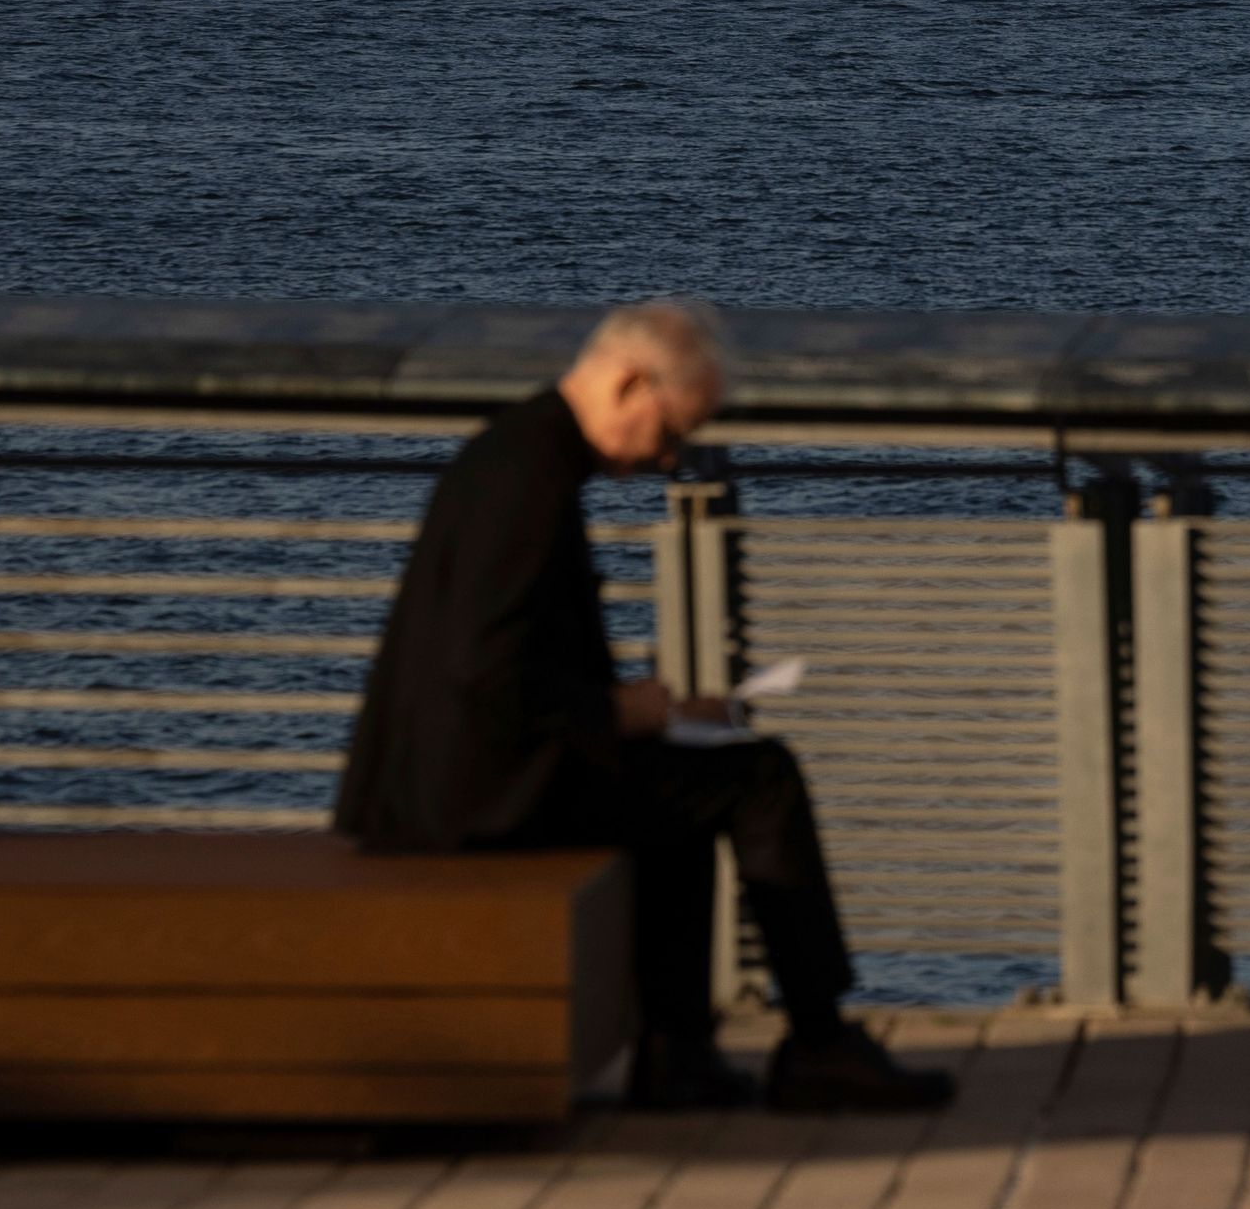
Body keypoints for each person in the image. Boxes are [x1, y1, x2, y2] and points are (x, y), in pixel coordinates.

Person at [335, 300, 950, 1113]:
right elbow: (482, 669)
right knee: (762, 776)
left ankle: (679, 1052)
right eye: (669, 434)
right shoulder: (528, 479)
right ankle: (818, 1039)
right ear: (629, 382)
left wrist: (649, 713)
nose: (668, 460)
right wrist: (616, 712)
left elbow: (494, 662)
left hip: (459, 777)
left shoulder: (520, 453)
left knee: (688, 785)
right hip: (476, 795)